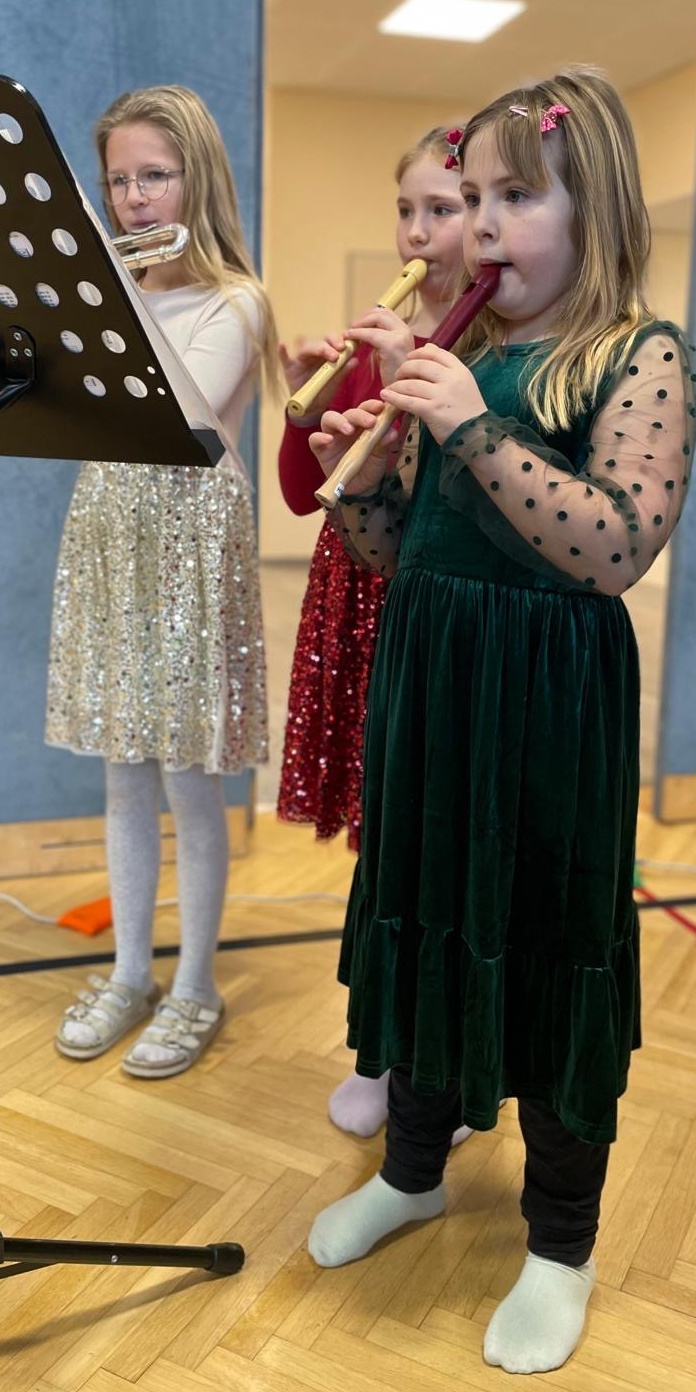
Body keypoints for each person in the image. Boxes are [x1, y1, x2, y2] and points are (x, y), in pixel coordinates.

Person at [305, 67, 696, 1377]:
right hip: (436, 680)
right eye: (470, 197)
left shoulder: (639, 353)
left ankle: (561, 1245)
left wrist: (473, 431)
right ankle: (412, 1170)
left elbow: (615, 545)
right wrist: (362, 465)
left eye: (515, 196)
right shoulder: (457, 355)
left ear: (600, 211)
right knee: (425, 913)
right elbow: (393, 546)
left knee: (546, 939)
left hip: (548, 703)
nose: (477, 225)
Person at [47, 85, 274, 1080]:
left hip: (190, 544)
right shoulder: (112, 298)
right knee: (123, 770)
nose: (135, 198)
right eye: (119, 181)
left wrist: (115, 293)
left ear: (198, 179)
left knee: (190, 776)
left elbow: (186, 414)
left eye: (155, 176)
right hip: (111, 534)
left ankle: (196, 987)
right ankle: (131, 973)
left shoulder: (237, 301)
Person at [276, 126, 472, 1140]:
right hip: (352, 597)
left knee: (431, 832)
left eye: (442, 209)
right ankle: (384, 1048)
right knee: (379, 837)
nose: (418, 232)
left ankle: (441, 1058)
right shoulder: (374, 343)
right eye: (406, 210)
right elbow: (302, 493)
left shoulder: (483, 348)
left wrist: (412, 380)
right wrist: (301, 408)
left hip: (427, 602)